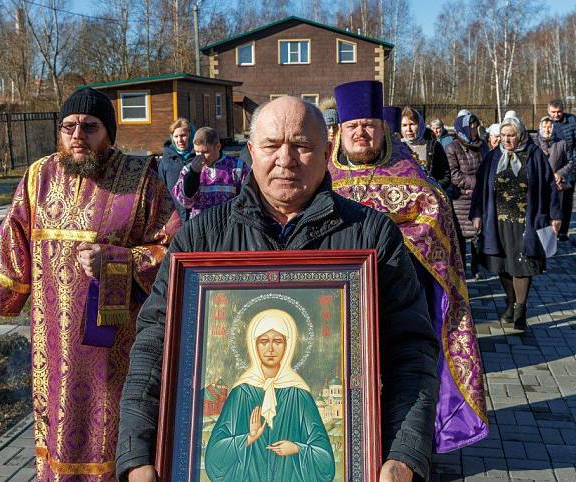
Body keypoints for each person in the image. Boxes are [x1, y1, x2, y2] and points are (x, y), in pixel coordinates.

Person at [118, 96, 440, 482]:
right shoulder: (201, 239)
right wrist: (136, 455)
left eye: (302, 146)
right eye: (271, 146)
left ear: (326, 152)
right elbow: (155, 348)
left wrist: (404, 455)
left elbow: (411, 351)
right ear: (251, 152)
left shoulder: (371, 236)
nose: (285, 159)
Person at [0, 87, 179, 480]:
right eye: (69, 127)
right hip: (52, 344)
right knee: (57, 428)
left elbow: (171, 250)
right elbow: (13, 245)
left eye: (89, 127)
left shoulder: (141, 181)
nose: (77, 135)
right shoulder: (38, 177)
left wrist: (122, 259)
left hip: (115, 345)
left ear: (108, 133)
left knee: (112, 431)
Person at [329, 80, 488, 455]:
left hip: (401, 304)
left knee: (399, 381)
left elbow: (436, 225)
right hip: (340, 309)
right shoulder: (324, 181)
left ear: (383, 129)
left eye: (368, 125)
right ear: (340, 133)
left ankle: (403, 454)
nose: (361, 133)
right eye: (352, 127)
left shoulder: (415, 180)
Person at [204, 309, 335, 481]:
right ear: (254, 345)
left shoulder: (299, 395)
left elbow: (326, 460)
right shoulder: (241, 394)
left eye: (278, 341)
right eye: (264, 341)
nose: (271, 348)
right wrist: (248, 438)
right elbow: (213, 457)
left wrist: (297, 448)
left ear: (287, 346)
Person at [470, 116, 562, 332]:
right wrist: (477, 214)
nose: (507, 140)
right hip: (498, 222)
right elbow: (480, 186)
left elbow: (549, 185)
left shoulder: (534, 155)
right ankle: (510, 303)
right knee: (502, 264)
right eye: (503, 135)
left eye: (511, 135)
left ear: (520, 135)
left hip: (525, 222)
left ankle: (520, 310)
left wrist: (555, 215)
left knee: (522, 265)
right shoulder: (493, 157)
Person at [171, 126, 250, 219]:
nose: (201, 157)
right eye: (197, 152)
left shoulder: (237, 167)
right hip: (200, 227)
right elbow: (183, 202)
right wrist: (193, 174)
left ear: (218, 147)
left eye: (205, 152)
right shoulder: (188, 169)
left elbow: (247, 199)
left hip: (228, 225)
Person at [446, 113, 488, 277]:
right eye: (472, 128)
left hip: (479, 197)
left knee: (479, 234)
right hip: (461, 199)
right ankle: (461, 269)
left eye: (476, 127)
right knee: (460, 238)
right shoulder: (452, 148)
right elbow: (454, 174)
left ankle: (477, 267)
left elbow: (487, 167)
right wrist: (476, 184)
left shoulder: (482, 146)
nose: (475, 131)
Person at [547, 98, 576, 241]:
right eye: (553, 112)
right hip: (552, 165)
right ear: (548, 111)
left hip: (570, 163)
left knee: (565, 199)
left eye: (559, 112)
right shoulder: (546, 122)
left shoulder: (572, 120)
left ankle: (563, 232)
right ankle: (550, 229)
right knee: (551, 198)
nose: (556, 115)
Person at [399, 106, 452, 192]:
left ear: (420, 124)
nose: (408, 129)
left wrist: (432, 188)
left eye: (412, 124)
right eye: (404, 125)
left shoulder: (434, 146)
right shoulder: (397, 147)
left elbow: (445, 176)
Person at [160, 118, 196, 222]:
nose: (179, 140)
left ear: (191, 135)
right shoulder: (166, 160)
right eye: (176, 136)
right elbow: (161, 188)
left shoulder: (198, 157)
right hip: (174, 216)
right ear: (172, 138)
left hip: (196, 214)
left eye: (183, 135)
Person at [536, 116, 573, 210]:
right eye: (544, 127)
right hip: (538, 185)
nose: (547, 130)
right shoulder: (534, 145)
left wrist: (560, 174)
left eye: (549, 127)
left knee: (555, 215)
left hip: (556, 185)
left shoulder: (562, 143)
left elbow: (570, 162)